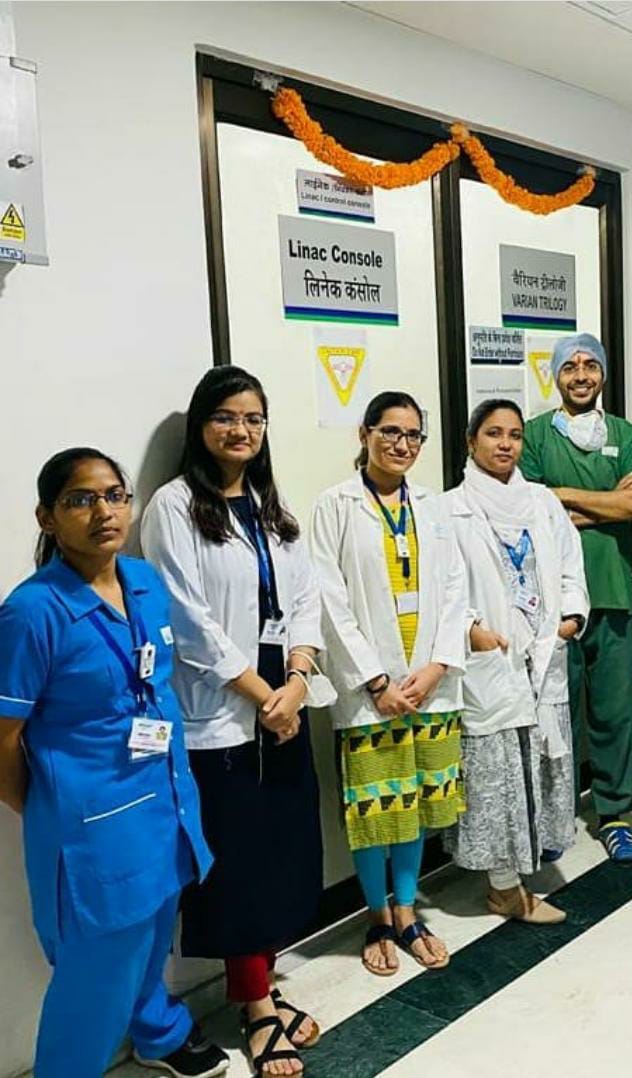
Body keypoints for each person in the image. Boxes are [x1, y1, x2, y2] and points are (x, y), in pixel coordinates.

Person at [0, 448, 228, 1078]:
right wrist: (49, 808)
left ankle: (157, 1034)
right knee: (94, 982)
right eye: (80, 499)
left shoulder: (144, 582)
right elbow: (2, 737)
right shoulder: (32, 612)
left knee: (151, 940)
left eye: (114, 495)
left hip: (164, 802)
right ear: (47, 517)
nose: (103, 511)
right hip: (94, 828)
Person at [142, 368, 324, 1078]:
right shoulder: (173, 506)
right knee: (240, 865)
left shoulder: (272, 505)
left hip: (284, 700)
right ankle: (256, 1009)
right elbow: (188, 619)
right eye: (225, 417)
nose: (240, 430)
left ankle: (264, 986)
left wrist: (298, 682)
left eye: (253, 418)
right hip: (224, 712)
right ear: (201, 425)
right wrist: (262, 694)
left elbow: (304, 599)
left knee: (280, 855)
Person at [311, 391, 467, 976]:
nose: (402, 444)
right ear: (365, 433)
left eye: (413, 434)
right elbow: (328, 598)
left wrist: (435, 668)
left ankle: (407, 911)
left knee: (415, 803)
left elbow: (456, 590)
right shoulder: (334, 505)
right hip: (370, 691)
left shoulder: (433, 507)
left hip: (428, 684)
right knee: (375, 809)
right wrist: (377, 682)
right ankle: (377, 915)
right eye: (390, 432)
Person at [443, 399, 589, 922]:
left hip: (543, 653)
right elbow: (444, 589)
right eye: (493, 433)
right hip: (494, 659)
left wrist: (571, 616)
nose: (505, 444)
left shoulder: (542, 502)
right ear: (471, 441)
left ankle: (527, 867)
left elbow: (571, 565)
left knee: (540, 768)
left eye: (514, 435)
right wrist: (471, 630)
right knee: (498, 776)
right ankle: (504, 888)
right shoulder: (450, 510)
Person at [521, 333, 632, 863]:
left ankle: (615, 814)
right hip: (552, 602)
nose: (580, 375)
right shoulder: (535, 435)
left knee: (615, 711)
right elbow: (532, 509)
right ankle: (554, 817)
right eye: (570, 366)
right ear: (556, 376)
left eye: (590, 365)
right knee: (554, 712)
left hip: (611, 591)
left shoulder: (624, 434)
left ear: (603, 373)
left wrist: (566, 499)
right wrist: (608, 500)